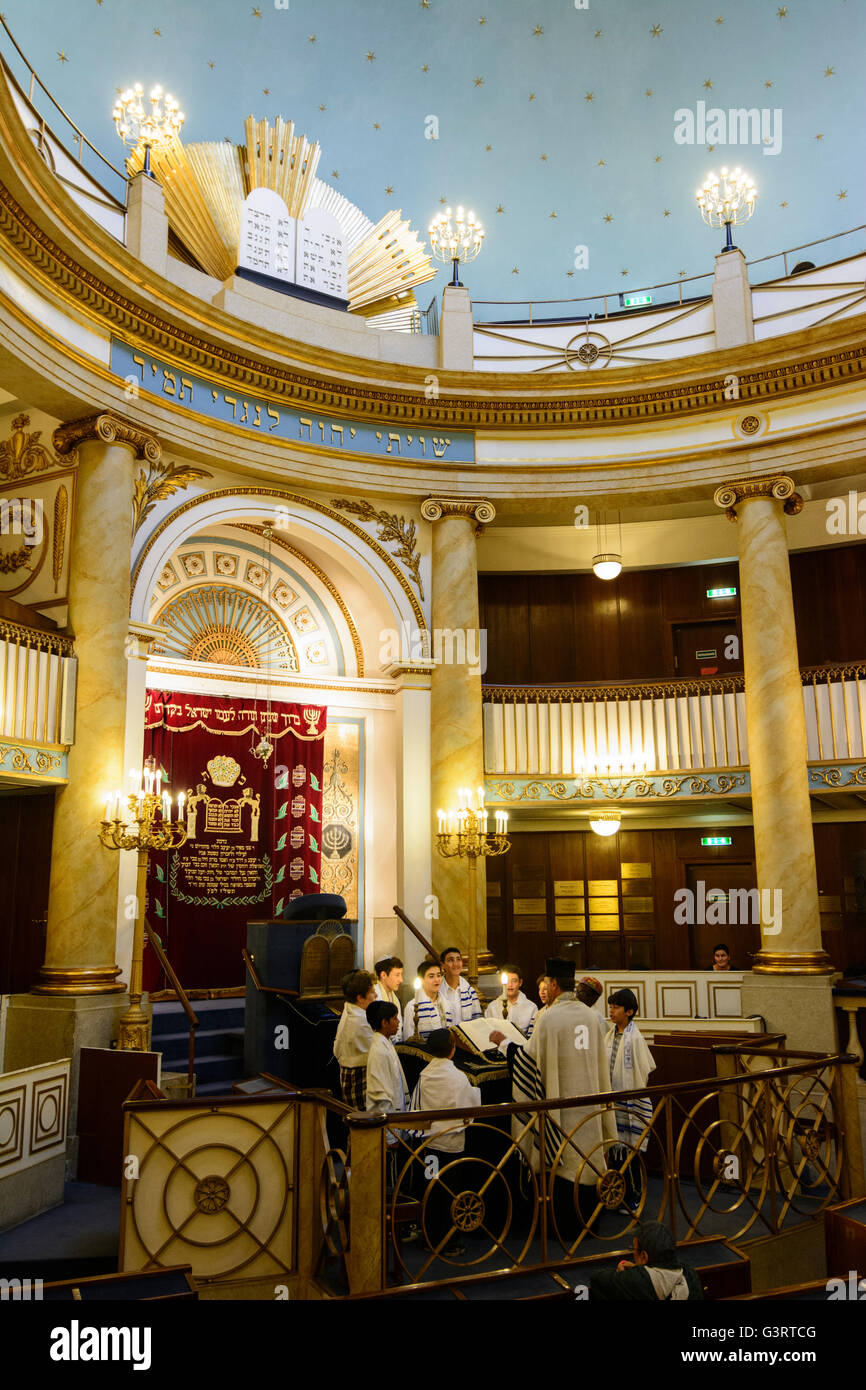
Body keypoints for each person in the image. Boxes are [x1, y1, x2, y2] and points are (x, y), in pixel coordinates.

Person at [490, 956, 616, 1232]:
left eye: (547, 981)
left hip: (562, 1110)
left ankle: (562, 1229)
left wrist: (504, 1044)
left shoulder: (549, 1017)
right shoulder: (591, 1017)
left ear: (555, 984)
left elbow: (530, 1060)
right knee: (586, 1155)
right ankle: (589, 1222)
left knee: (563, 1161)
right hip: (589, 1107)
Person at [408, 1027, 482, 1256]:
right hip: (451, 1146)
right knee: (451, 1192)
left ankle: (429, 1236)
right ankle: (448, 1242)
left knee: (432, 1190)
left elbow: (417, 1106)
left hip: (430, 1145)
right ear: (452, 1051)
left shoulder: (425, 1074)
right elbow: (470, 1110)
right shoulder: (458, 1077)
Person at [606, 988, 656, 1214]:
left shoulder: (634, 1037)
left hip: (629, 1103)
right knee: (615, 1153)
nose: (611, 1011)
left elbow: (643, 1070)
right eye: (611, 1006)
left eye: (616, 1007)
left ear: (630, 1011)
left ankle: (634, 1198)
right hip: (612, 1101)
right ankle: (618, 1195)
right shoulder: (609, 1034)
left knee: (630, 1154)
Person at [589, 1221, 704, 1300]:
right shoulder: (690, 1274)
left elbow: (596, 1278)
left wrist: (631, 1272)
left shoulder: (639, 1280)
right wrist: (637, 1269)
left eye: (633, 1249)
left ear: (644, 1256)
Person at [365, 1000, 409, 1146]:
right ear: (384, 1022)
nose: (398, 1022)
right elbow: (380, 1095)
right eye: (395, 1019)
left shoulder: (386, 1043)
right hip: (388, 1129)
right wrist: (390, 1137)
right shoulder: (379, 1051)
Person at [332, 969, 377, 1108]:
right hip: (359, 1079)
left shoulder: (350, 1010)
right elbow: (378, 1054)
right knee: (365, 1123)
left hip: (351, 1074)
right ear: (360, 998)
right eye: (372, 992)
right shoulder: (359, 1021)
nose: (375, 995)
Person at [403, 959, 452, 1040]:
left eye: (439, 975)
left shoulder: (446, 1004)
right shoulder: (412, 1007)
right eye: (431, 976)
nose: (437, 980)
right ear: (422, 980)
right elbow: (408, 1038)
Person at [484, 963, 538, 1038]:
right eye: (507, 981)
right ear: (501, 983)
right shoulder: (492, 1007)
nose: (510, 985)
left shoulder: (531, 1007)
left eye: (514, 981)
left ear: (520, 983)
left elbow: (533, 1037)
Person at [439, 946, 482, 1022]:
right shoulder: (437, 991)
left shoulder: (470, 992)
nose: (455, 964)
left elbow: (477, 1021)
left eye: (458, 959)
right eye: (450, 960)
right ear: (443, 965)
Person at [374, 955, 404, 1041]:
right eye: (397, 975)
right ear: (383, 975)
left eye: (401, 974)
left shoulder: (395, 999)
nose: (401, 980)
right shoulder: (374, 997)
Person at [576, 975, 607, 1045]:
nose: (577, 996)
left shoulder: (597, 1018)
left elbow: (600, 1045)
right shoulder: (574, 1012)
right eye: (577, 991)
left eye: (581, 993)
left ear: (593, 998)